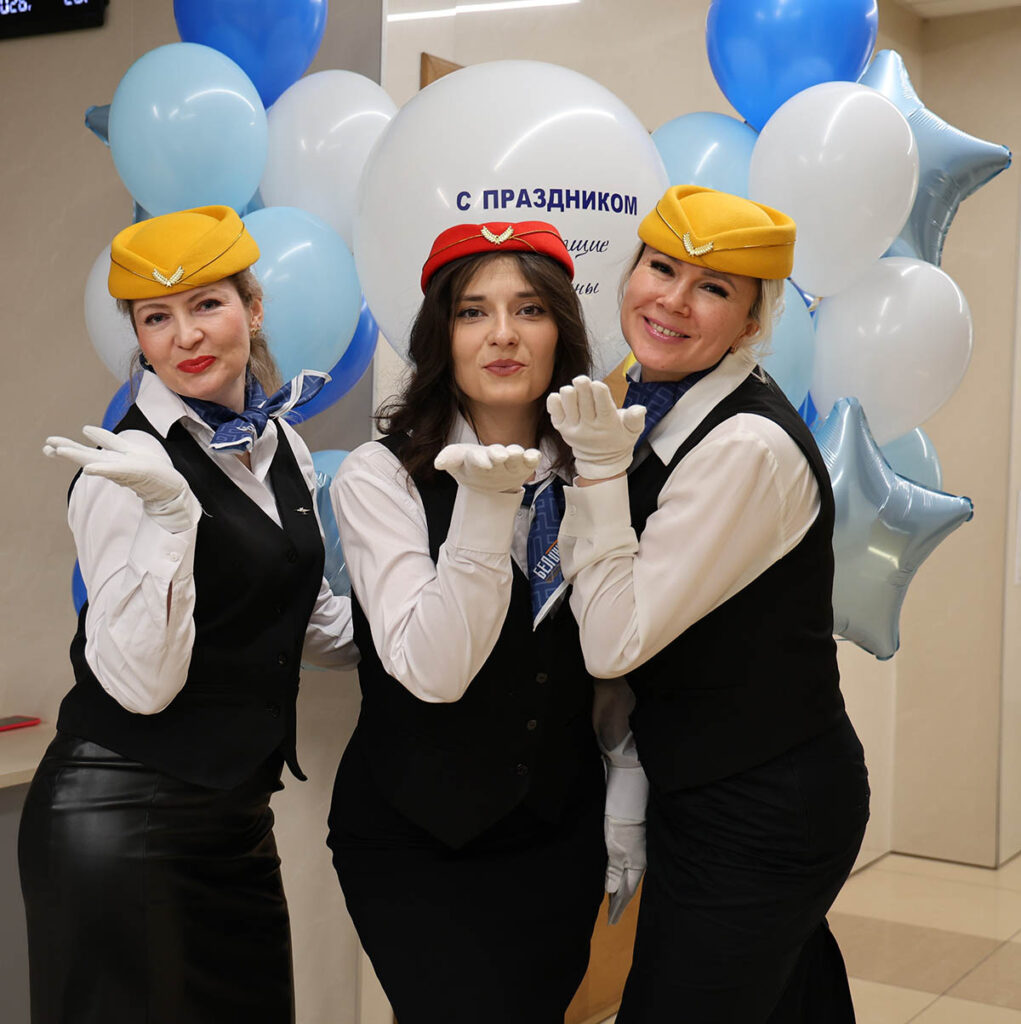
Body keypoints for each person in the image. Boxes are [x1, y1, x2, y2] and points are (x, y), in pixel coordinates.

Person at [19, 205, 358, 1024]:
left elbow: (315, 625)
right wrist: (173, 521)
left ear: (254, 307)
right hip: (118, 818)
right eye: (156, 318)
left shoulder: (282, 447)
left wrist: (456, 590)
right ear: (138, 335)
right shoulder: (123, 468)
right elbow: (140, 686)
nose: (186, 336)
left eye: (207, 304)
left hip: (233, 822)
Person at [547, 185, 871, 1022]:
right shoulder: (647, 408)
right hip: (710, 784)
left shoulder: (743, 446)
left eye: (713, 288)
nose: (672, 301)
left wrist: (597, 475)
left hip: (762, 801)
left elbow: (614, 640)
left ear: (752, 323)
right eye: (660, 269)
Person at [328, 221, 622, 1024]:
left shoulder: (595, 471)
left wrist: (625, 794)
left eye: (529, 309)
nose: (502, 334)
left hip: (557, 837)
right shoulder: (381, 476)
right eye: (471, 312)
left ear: (560, 331)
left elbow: (615, 652)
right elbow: (434, 670)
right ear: (441, 336)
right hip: (415, 842)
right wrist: (486, 505)